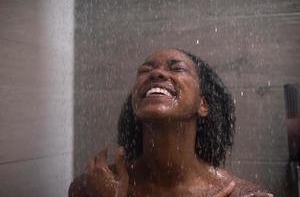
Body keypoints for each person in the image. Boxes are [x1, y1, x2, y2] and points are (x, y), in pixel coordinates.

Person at [69, 49, 273, 197]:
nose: (156, 74)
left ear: (202, 104)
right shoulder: (91, 189)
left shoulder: (242, 195)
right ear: (135, 102)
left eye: (177, 69)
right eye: (145, 70)